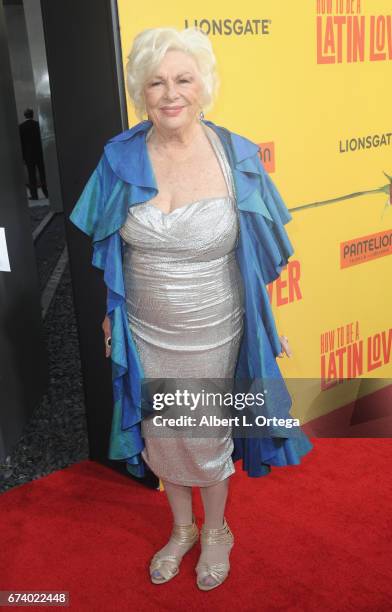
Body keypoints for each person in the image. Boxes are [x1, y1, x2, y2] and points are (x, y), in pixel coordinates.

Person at [69, 27, 313, 591]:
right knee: (161, 435)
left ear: (203, 86)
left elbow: (259, 252)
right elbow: (110, 248)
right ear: (141, 91)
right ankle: (182, 529)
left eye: (182, 79)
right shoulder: (119, 158)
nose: (169, 93)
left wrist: (266, 327)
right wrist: (111, 317)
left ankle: (217, 530)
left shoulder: (236, 157)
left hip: (215, 327)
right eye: (156, 82)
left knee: (202, 436)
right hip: (144, 328)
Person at [19, 108, 48, 200]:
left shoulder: (21, 127)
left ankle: (34, 195)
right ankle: (46, 192)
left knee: (31, 175)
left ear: (25, 116)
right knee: (42, 173)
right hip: (39, 153)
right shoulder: (38, 125)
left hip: (28, 155)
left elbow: (21, 143)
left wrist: (23, 156)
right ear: (33, 114)